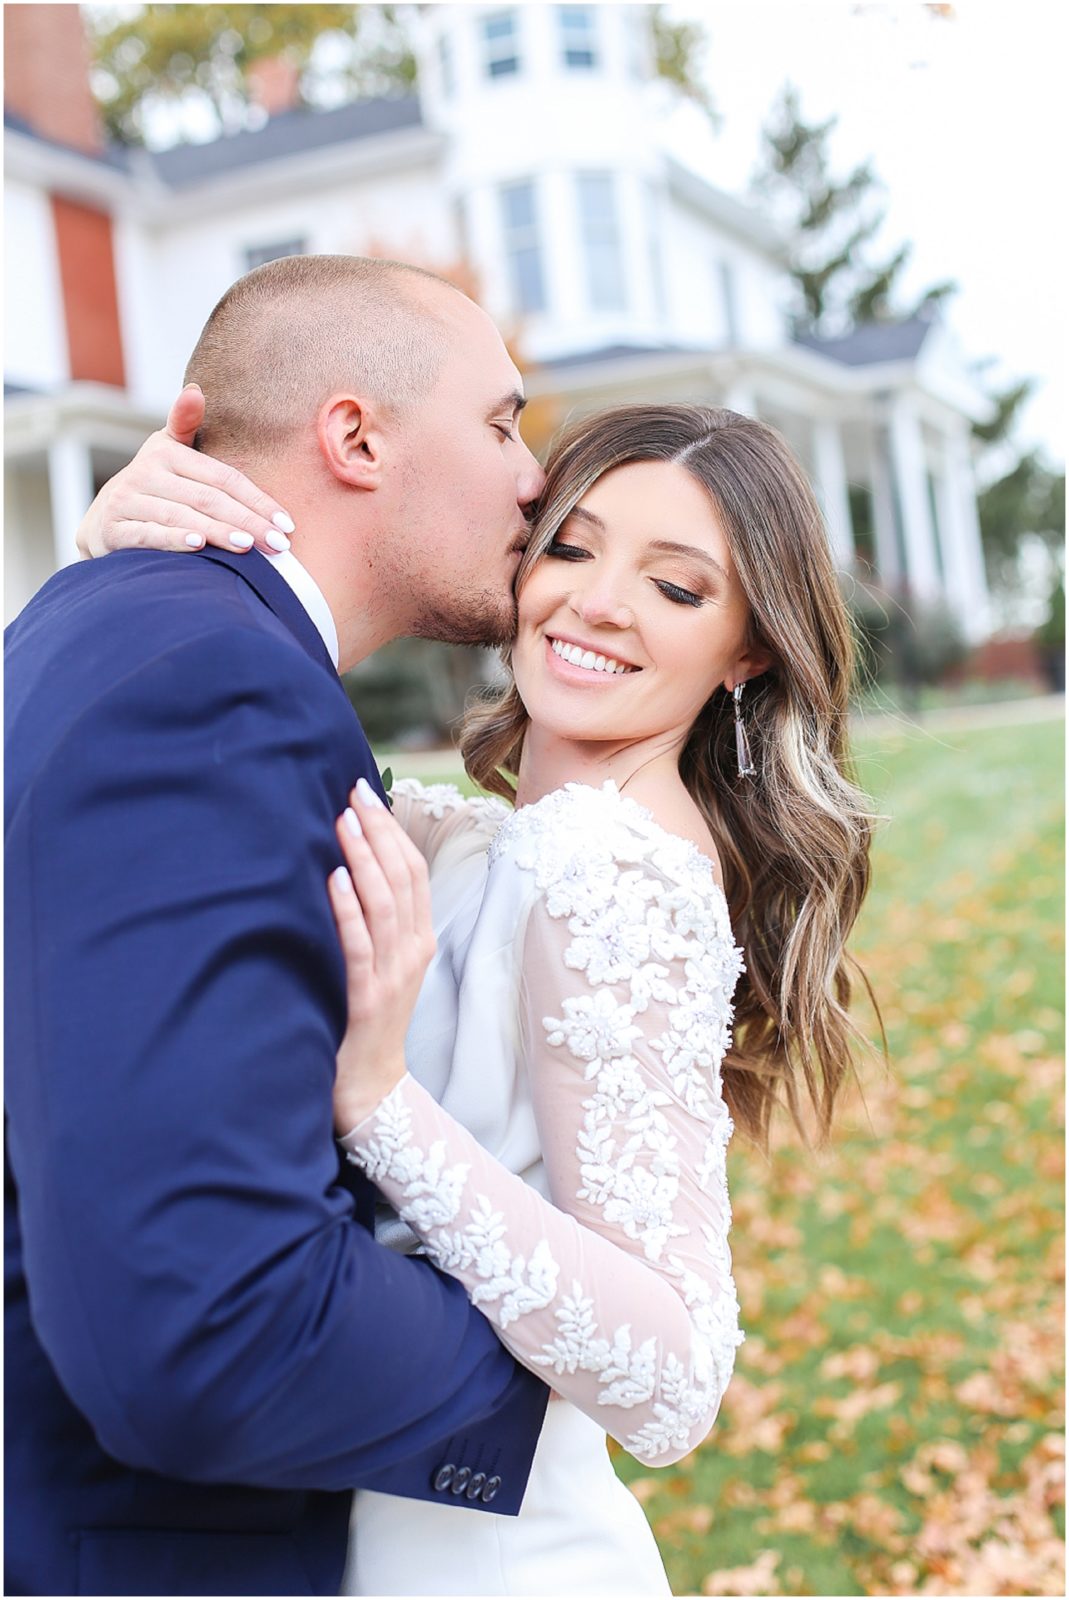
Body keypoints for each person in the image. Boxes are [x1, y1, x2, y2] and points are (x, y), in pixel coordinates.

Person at [81, 364, 877, 1590]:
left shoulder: (617, 870)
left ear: (747, 651)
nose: (599, 604)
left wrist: (380, 1100)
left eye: (674, 586)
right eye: (571, 547)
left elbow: (671, 1378)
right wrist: (125, 557)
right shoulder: (481, 842)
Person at [4, 255, 554, 1599]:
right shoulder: (216, 690)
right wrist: (563, 1372)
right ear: (355, 435)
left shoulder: (96, 626)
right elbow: (206, 1326)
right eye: (499, 424)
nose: (534, 479)